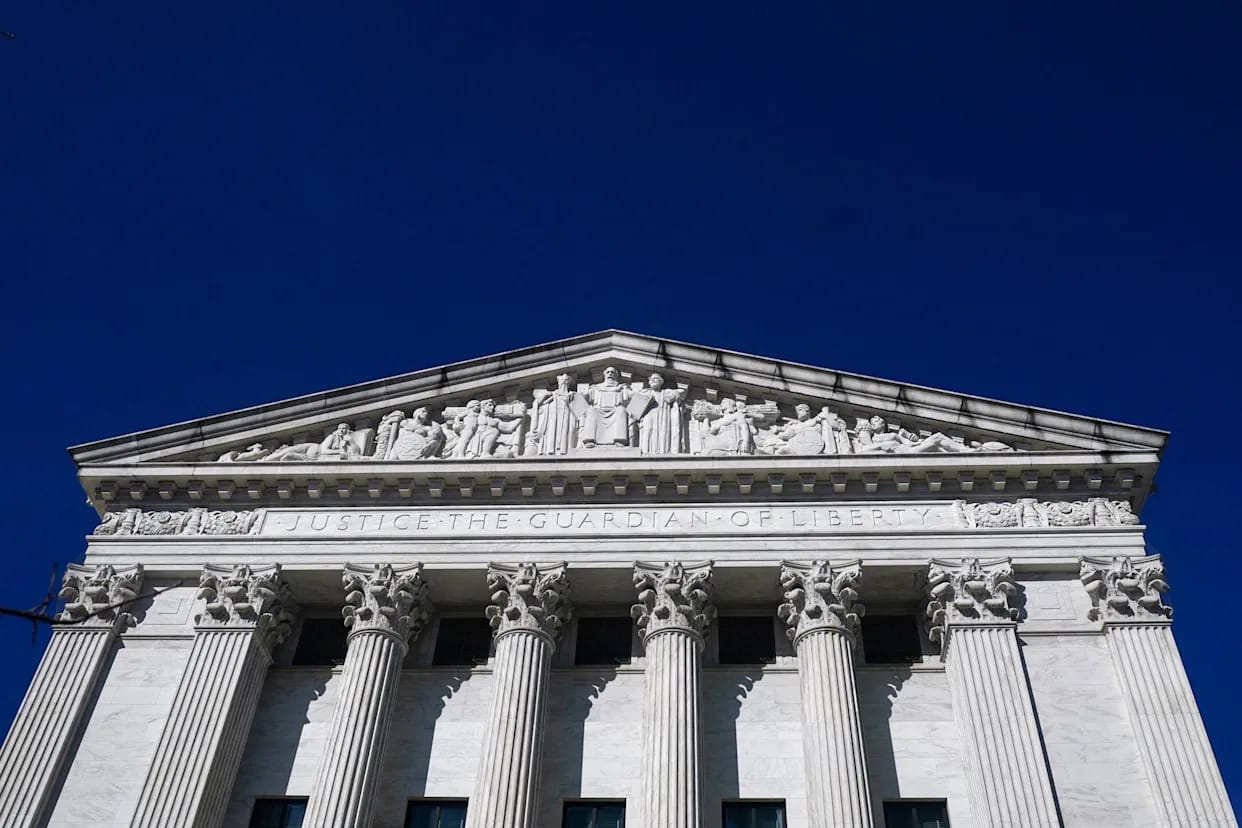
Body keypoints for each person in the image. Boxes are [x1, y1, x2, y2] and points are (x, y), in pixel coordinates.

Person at [580, 366, 632, 447]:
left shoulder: (622, 388)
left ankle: (620, 440)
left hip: (615, 411)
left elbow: (632, 396)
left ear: (616, 376)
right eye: (608, 372)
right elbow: (585, 397)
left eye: (612, 372)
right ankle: (589, 440)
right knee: (591, 410)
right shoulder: (596, 388)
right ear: (604, 375)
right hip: (599, 411)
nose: (610, 374)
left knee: (621, 410)